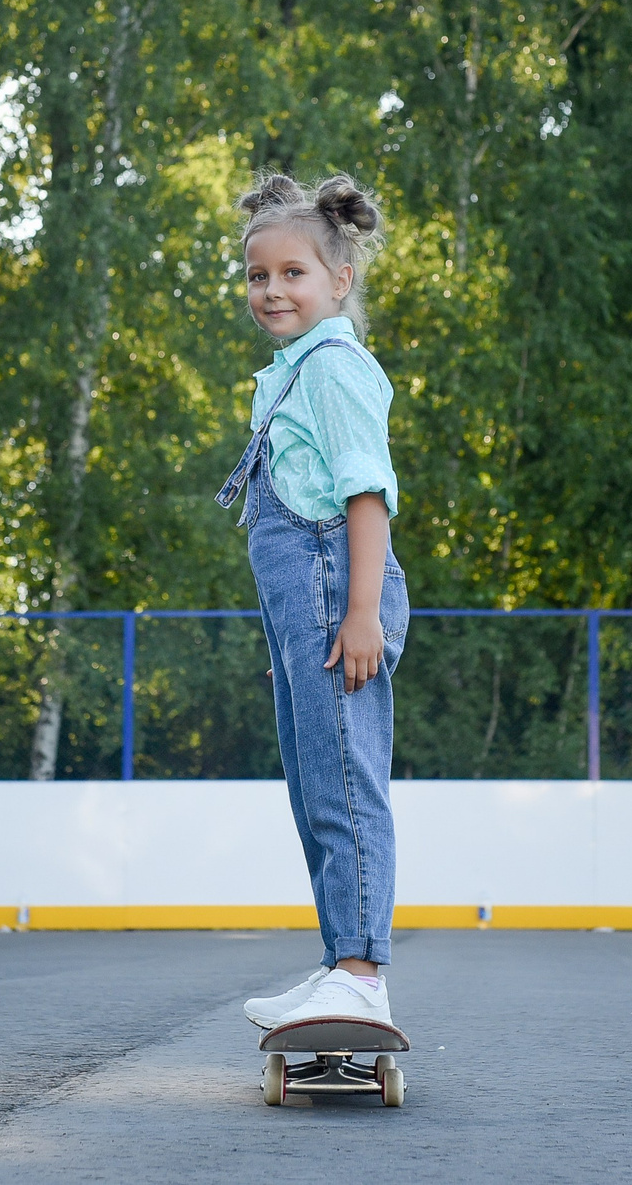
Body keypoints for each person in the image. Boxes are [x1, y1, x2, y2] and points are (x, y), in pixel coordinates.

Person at [217, 172, 409, 1033]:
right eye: (258, 275)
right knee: (313, 790)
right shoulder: (289, 374)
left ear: (340, 280)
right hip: (312, 615)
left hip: (344, 598)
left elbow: (364, 497)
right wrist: (292, 634)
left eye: (292, 273)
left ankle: (363, 970)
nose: (271, 290)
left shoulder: (331, 368)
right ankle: (342, 958)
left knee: (345, 787)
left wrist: (357, 612)